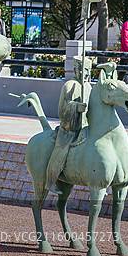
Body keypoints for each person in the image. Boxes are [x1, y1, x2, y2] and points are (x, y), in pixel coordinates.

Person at [45, 56, 91, 195]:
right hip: (70, 128)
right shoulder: (69, 85)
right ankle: (50, 181)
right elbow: (63, 108)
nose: (86, 73)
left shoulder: (88, 87)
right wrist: (76, 107)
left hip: (86, 126)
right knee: (61, 151)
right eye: (83, 70)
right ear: (76, 69)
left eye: (89, 70)